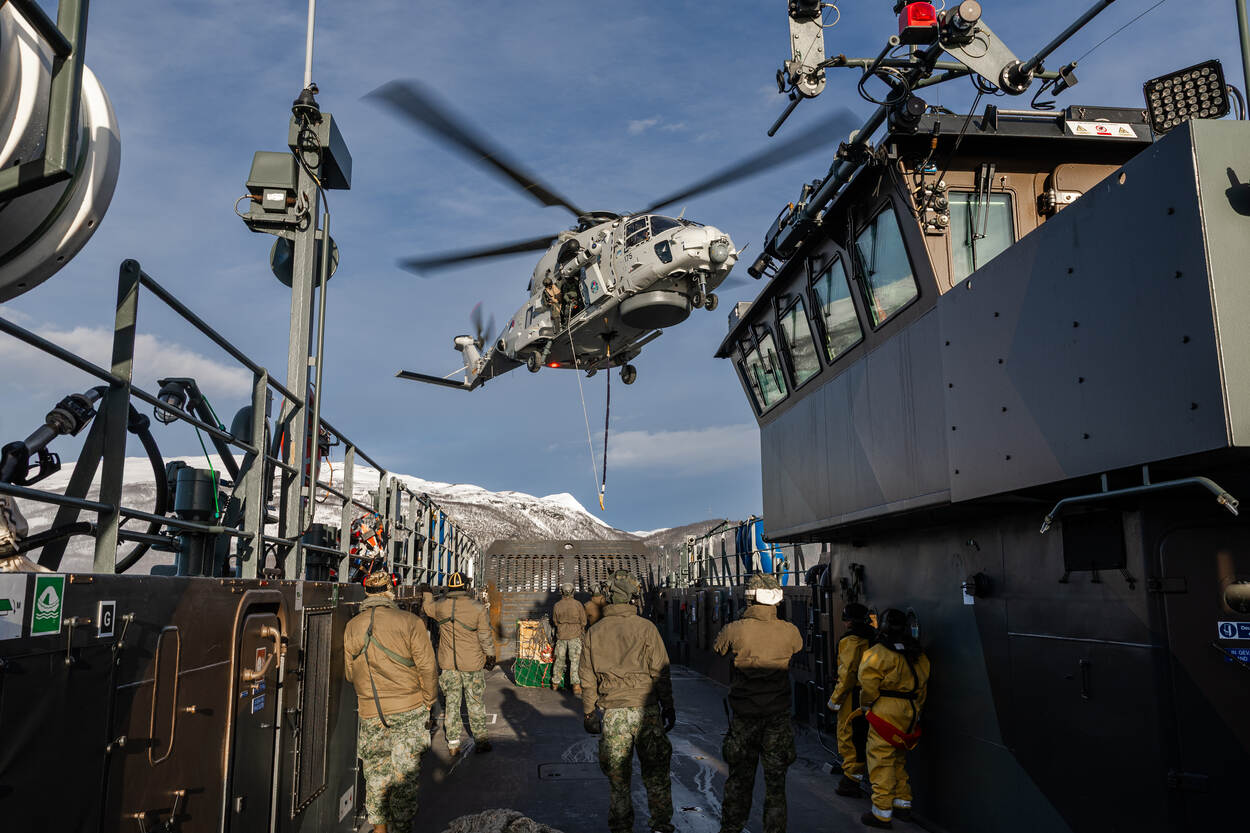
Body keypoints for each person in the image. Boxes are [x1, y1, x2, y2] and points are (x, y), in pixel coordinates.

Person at [580, 570, 676, 833]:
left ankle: (621, 828)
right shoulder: (647, 628)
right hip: (647, 710)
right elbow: (661, 671)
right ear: (631, 600)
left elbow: (586, 677)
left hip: (613, 713)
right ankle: (660, 825)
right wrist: (668, 706)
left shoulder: (594, 632)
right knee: (656, 774)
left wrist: (589, 712)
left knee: (618, 779)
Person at [344, 570, 438, 833]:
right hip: (408, 709)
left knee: (375, 774)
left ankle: (379, 829)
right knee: (404, 777)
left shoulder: (352, 626)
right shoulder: (409, 622)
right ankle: (402, 828)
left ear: (367, 594)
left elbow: (350, 673)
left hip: (371, 711)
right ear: (390, 592)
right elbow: (428, 668)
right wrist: (428, 701)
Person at [712, 573, 803, 833]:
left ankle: (731, 829)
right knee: (776, 786)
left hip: (744, 718)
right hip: (778, 718)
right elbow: (797, 647)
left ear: (750, 598)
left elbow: (718, 648)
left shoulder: (735, 629)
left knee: (739, 781)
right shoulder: (790, 631)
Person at [858, 608, 931, 829]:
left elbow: (869, 685)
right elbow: (922, 685)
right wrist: (915, 710)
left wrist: (865, 706)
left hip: (885, 710)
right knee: (899, 757)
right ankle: (903, 804)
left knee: (880, 759)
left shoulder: (878, 653)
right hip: (910, 710)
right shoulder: (917, 654)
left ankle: (881, 813)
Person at [423, 571, 497, 756]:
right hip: (472, 663)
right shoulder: (477, 608)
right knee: (475, 702)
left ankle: (453, 743)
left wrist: (426, 593)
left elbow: (427, 607)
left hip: (448, 664)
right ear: (466, 587)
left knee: (452, 704)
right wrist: (490, 655)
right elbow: (484, 634)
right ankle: (481, 740)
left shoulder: (440, 608)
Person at [827, 602, 874, 796]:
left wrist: (835, 700)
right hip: (872, 694)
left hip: (853, 695)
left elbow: (847, 674)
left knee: (849, 734)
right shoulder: (874, 637)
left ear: (848, 621)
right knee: (865, 735)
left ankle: (851, 780)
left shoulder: (851, 641)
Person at [551, 582, 588, 693]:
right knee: (575, 661)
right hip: (575, 636)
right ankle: (576, 686)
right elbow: (584, 621)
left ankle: (555, 683)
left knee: (559, 660)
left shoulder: (557, 605)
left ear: (562, 591)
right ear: (573, 591)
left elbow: (555, 621)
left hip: (561, 636)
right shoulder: (578, 604)